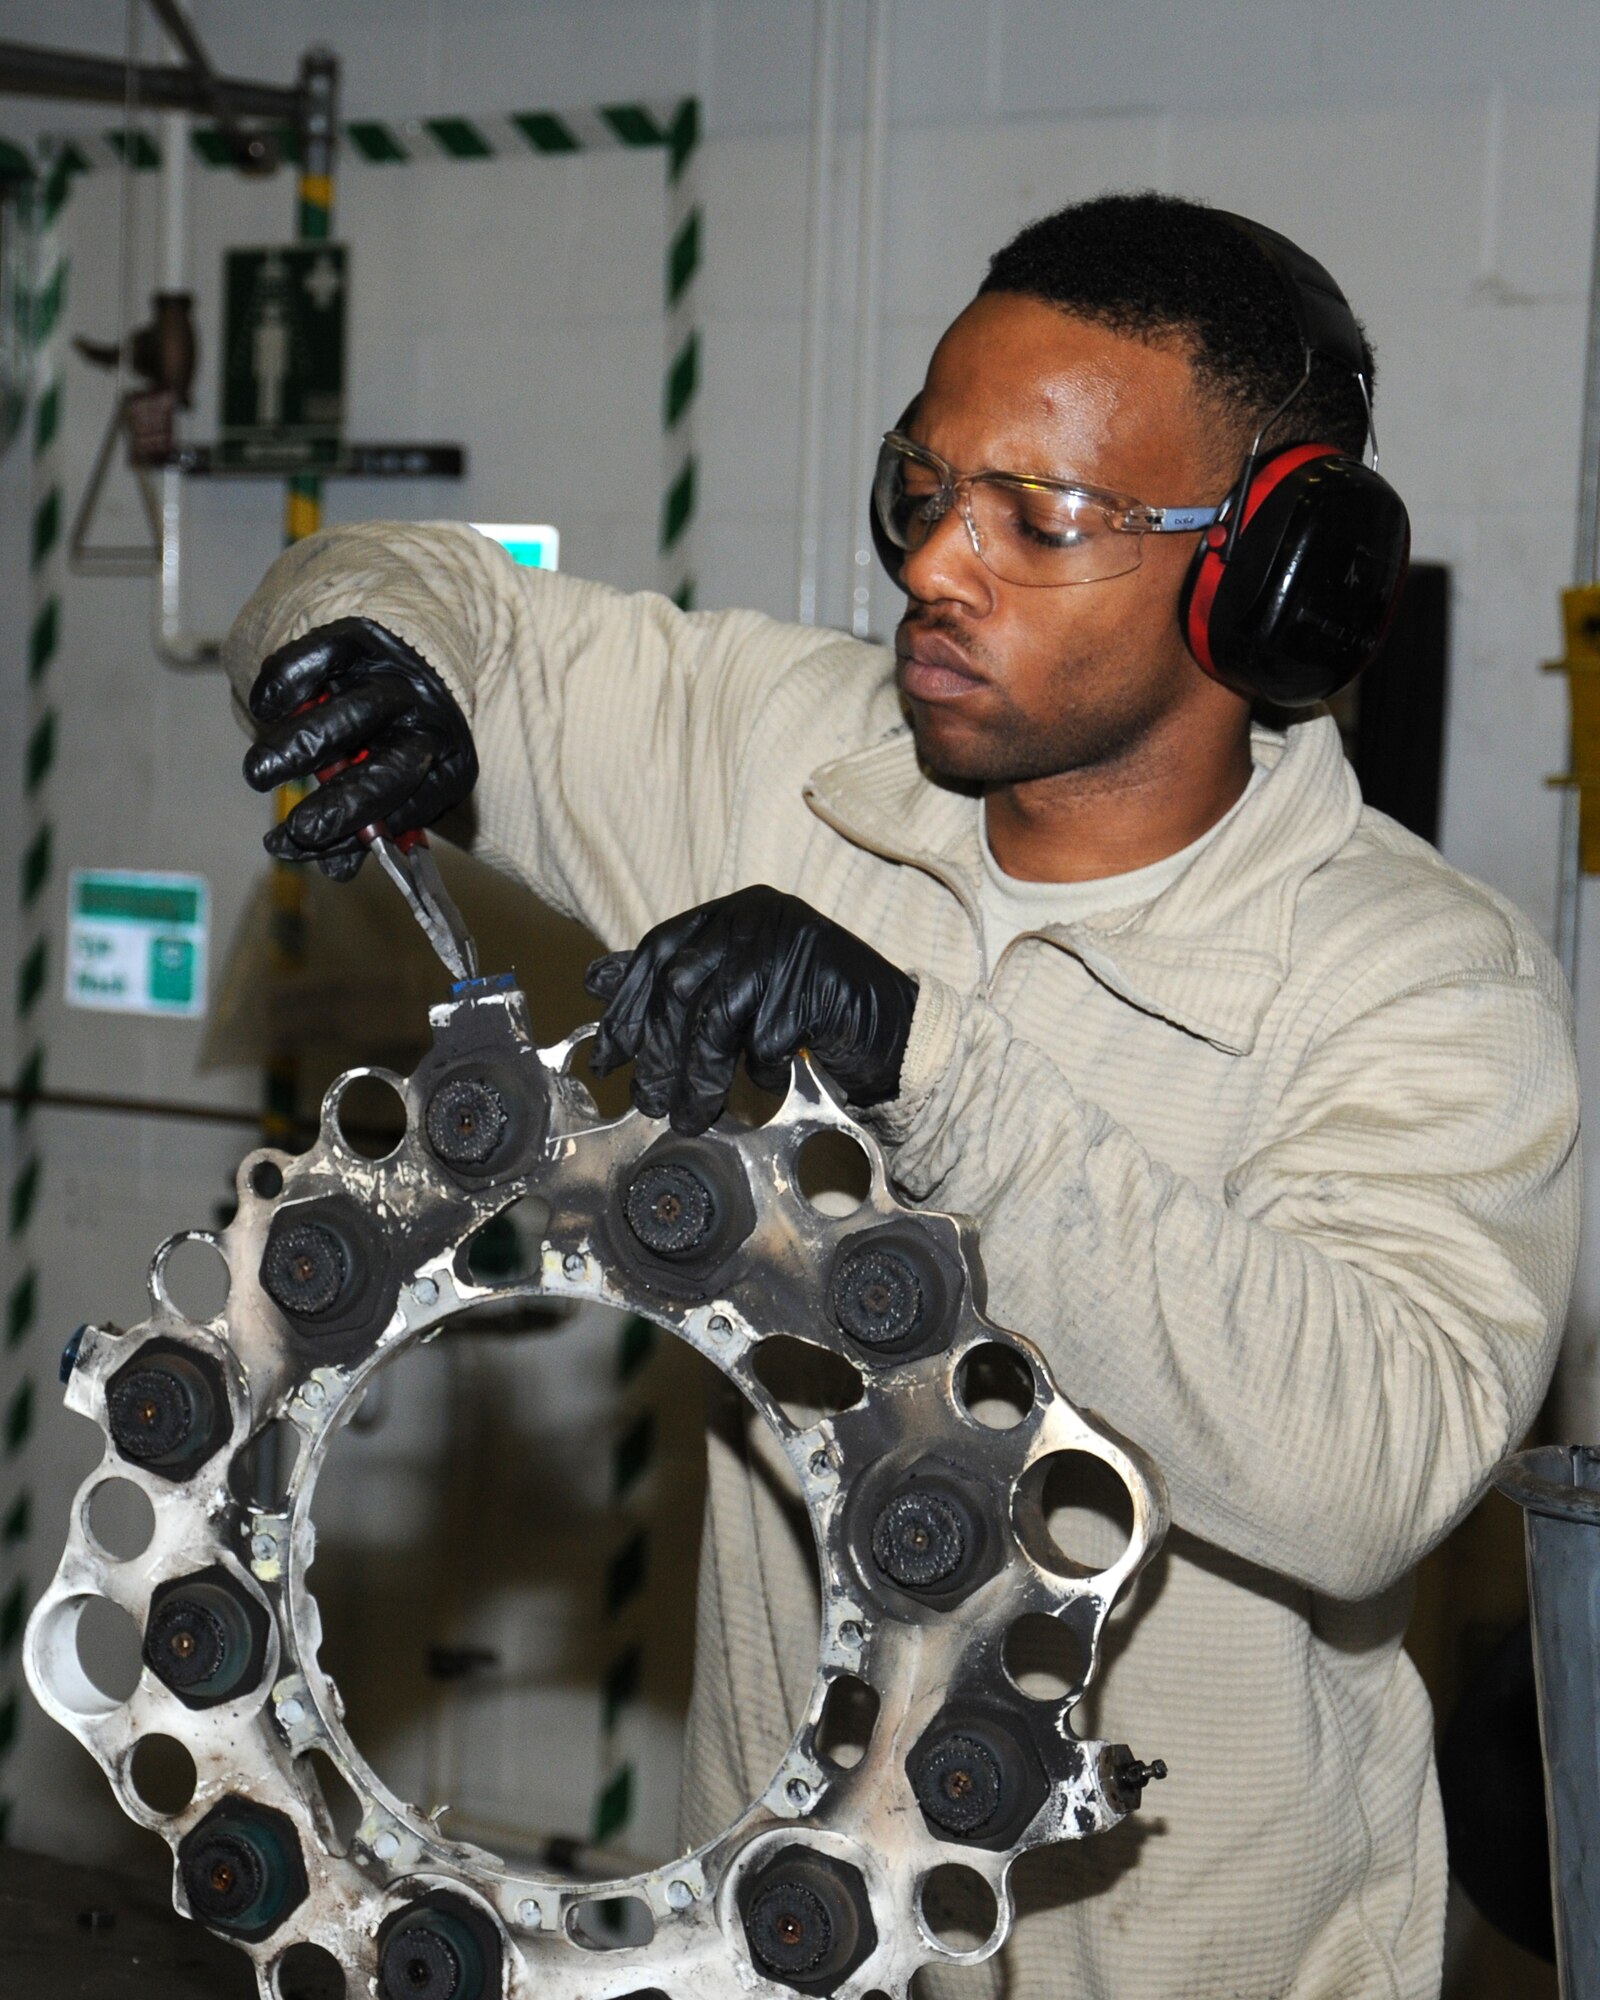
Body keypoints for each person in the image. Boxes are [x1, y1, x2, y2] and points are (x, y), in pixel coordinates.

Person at [222, 192, 1580, 1998]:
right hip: (786, 1953)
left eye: (1043, 517)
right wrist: (363, 642)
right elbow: (427, 593)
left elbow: (1370, 1467)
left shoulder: (1419, 979)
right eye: (923, 490)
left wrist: (923, 1063)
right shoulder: (791, 765)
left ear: (1269, 574)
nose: (943, 564)